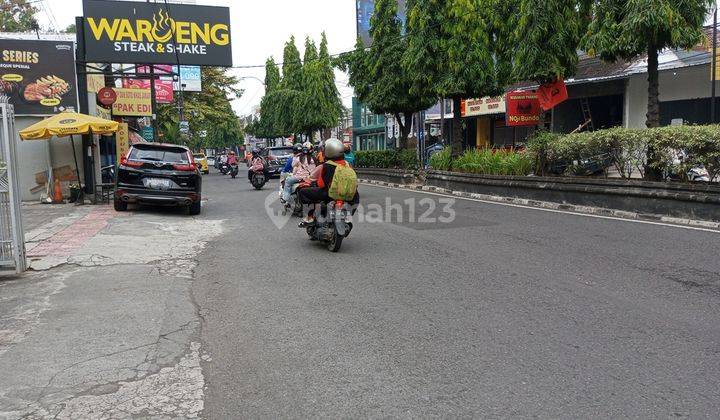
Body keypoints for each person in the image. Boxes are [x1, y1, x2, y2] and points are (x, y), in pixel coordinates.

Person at [298, 138, 359, 227]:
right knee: (356, 198)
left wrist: (310, 184)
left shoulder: (324, 166)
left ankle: (310, 217)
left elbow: (321, 184)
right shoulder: (347, 164)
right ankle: (347, 218)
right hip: (350, 195)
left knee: (303, 192)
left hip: (329, 194)